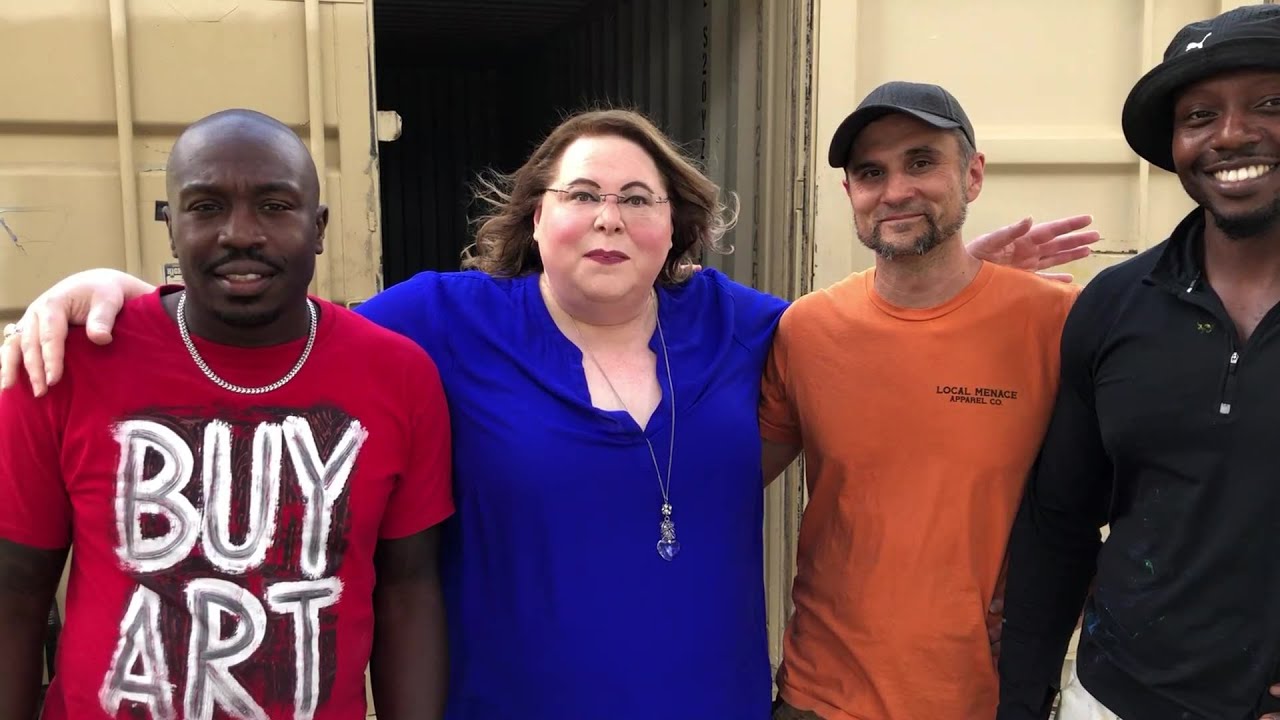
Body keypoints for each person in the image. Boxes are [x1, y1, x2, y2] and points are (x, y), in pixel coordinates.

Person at [0, 108, 1095, 719]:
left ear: (675, 228)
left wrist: (948, 277)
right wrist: (122, 294)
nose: (608, 218)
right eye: (580, 195)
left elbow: (873, 332)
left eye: (637, 198)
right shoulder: (442, 319)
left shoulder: (743, 326)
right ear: (536, 220)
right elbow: (273, 318)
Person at [0, 109, 454, 720]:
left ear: (318, 227)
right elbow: (14, 592)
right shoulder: (65, 363)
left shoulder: (399, 376)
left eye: (275, 205)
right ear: (171, 227)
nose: (240, 233)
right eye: (207, 206)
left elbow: (408, 590)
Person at [755, 82, 1080, 720]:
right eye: (871, 172)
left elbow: (1148, 490)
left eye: (921, 162)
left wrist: (1065, 604)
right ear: (850, 192)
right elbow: (721, 481)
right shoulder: (808, 330)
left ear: (973, 175)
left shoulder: (1056, 321)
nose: (896, 191)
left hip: (985, 697)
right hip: (821, 695)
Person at [996, 5, 1280, 720]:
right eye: (1199, 116)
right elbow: (1059, 523)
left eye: (1270, 104)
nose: (1231, 134)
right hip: (1115, 699)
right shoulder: (1116, 304)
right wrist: (1023, 701)